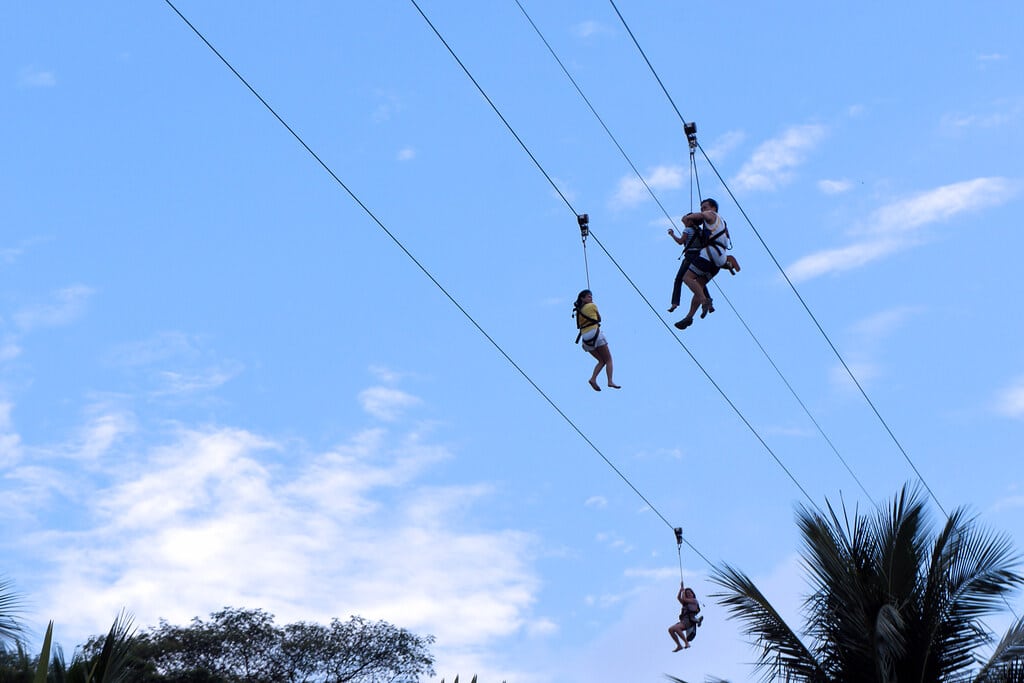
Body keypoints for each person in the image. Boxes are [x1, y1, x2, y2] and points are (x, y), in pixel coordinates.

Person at [669, 198, 740, 331]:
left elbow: (701, 216)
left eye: (705, 207)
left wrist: (688, 217)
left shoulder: (711, 214)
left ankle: (704, 300)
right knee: (699, 285)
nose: (703, 210)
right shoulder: (722, 223)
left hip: (709, 254)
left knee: (686, 278)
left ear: (713, 208)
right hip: (720, 258)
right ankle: (689, 316)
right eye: (702, 208)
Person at [573, 289, 620, 391]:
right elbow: (599, 319)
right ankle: (610, 381)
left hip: (585, 339)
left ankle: (593, 379)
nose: (591, 298)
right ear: (583, 298)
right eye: (589, 296)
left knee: (601, 361)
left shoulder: (578, 312)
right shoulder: (592, 306)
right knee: (608, 359)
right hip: (595, 334)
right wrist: (592, 306)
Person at [668, 582, 703, 652]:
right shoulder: (686, 603)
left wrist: (684, 591)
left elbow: (683, 598)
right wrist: (681, 590)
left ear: (693, 594)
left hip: (689, 620)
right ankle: (679, 645)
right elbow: (678, 598)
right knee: (671, 629)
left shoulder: (694, 601)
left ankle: (686, 643)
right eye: (687, 594)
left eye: (690, 593)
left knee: (676, 628)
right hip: (684, 620)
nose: (689, 594)